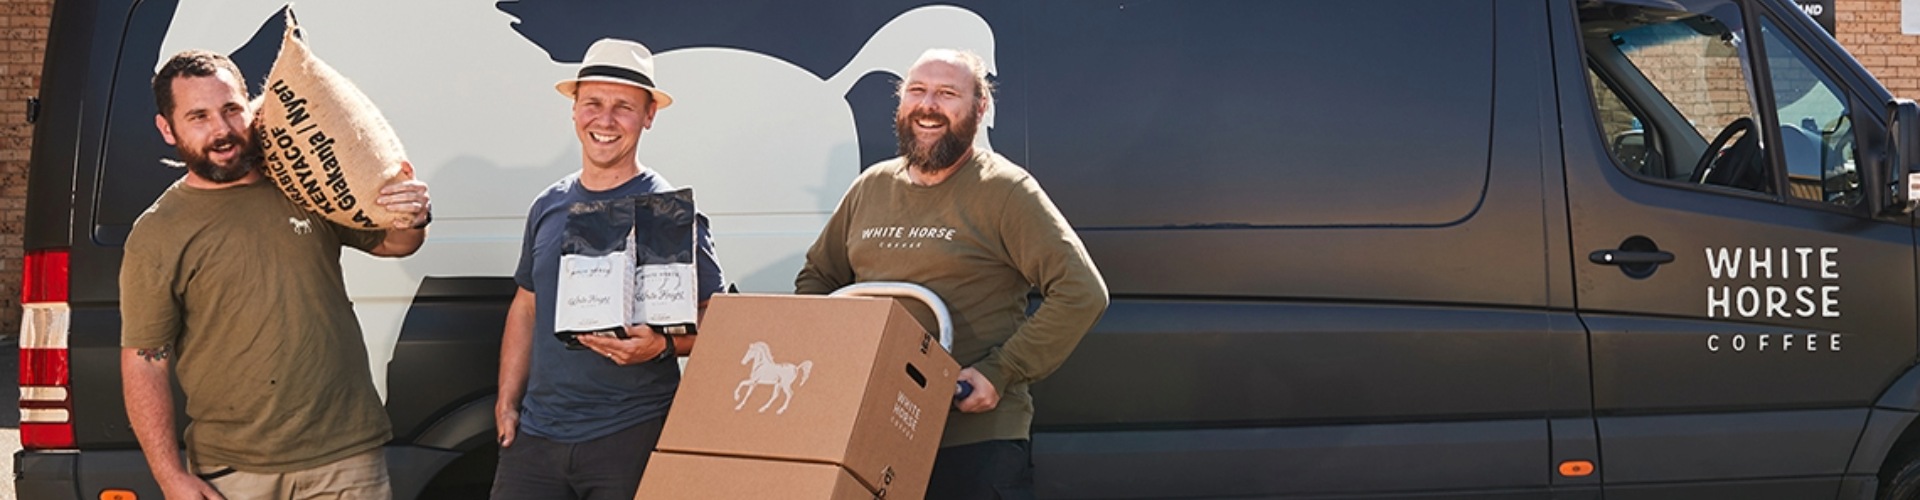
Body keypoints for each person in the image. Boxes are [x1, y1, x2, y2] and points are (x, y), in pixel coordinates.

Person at [795, 48, 1109, 499]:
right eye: (917, 91)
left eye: (947, 93)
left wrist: (1000, 371)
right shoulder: (871, 186)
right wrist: (834, 360)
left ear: (980, 108)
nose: (928, 106)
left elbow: (1081, 292)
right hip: (873, 434)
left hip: (973, 439)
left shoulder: (1006, 190)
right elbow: (818, 278)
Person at [120, 50, 432, 500]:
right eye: (199, 117)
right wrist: (170, 476)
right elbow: (145, 360)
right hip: (234, 470)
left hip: (346, 458)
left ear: (251, 107)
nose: (222, 130)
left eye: (231, 109)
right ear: (167, 129)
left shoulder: (301, 182)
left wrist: (413, 216)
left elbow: (395, 244)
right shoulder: (158, 232)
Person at [492, 38, 724, 500]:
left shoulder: (667, 212)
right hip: (536, 437)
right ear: (574, 109)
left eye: (624, 107)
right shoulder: (548, 205)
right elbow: (525, 307)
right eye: (593, 103)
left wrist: (661, 346)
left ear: (649, 116)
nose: (605, 120)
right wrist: (506, 401)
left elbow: (721, 323)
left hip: (631, 433)